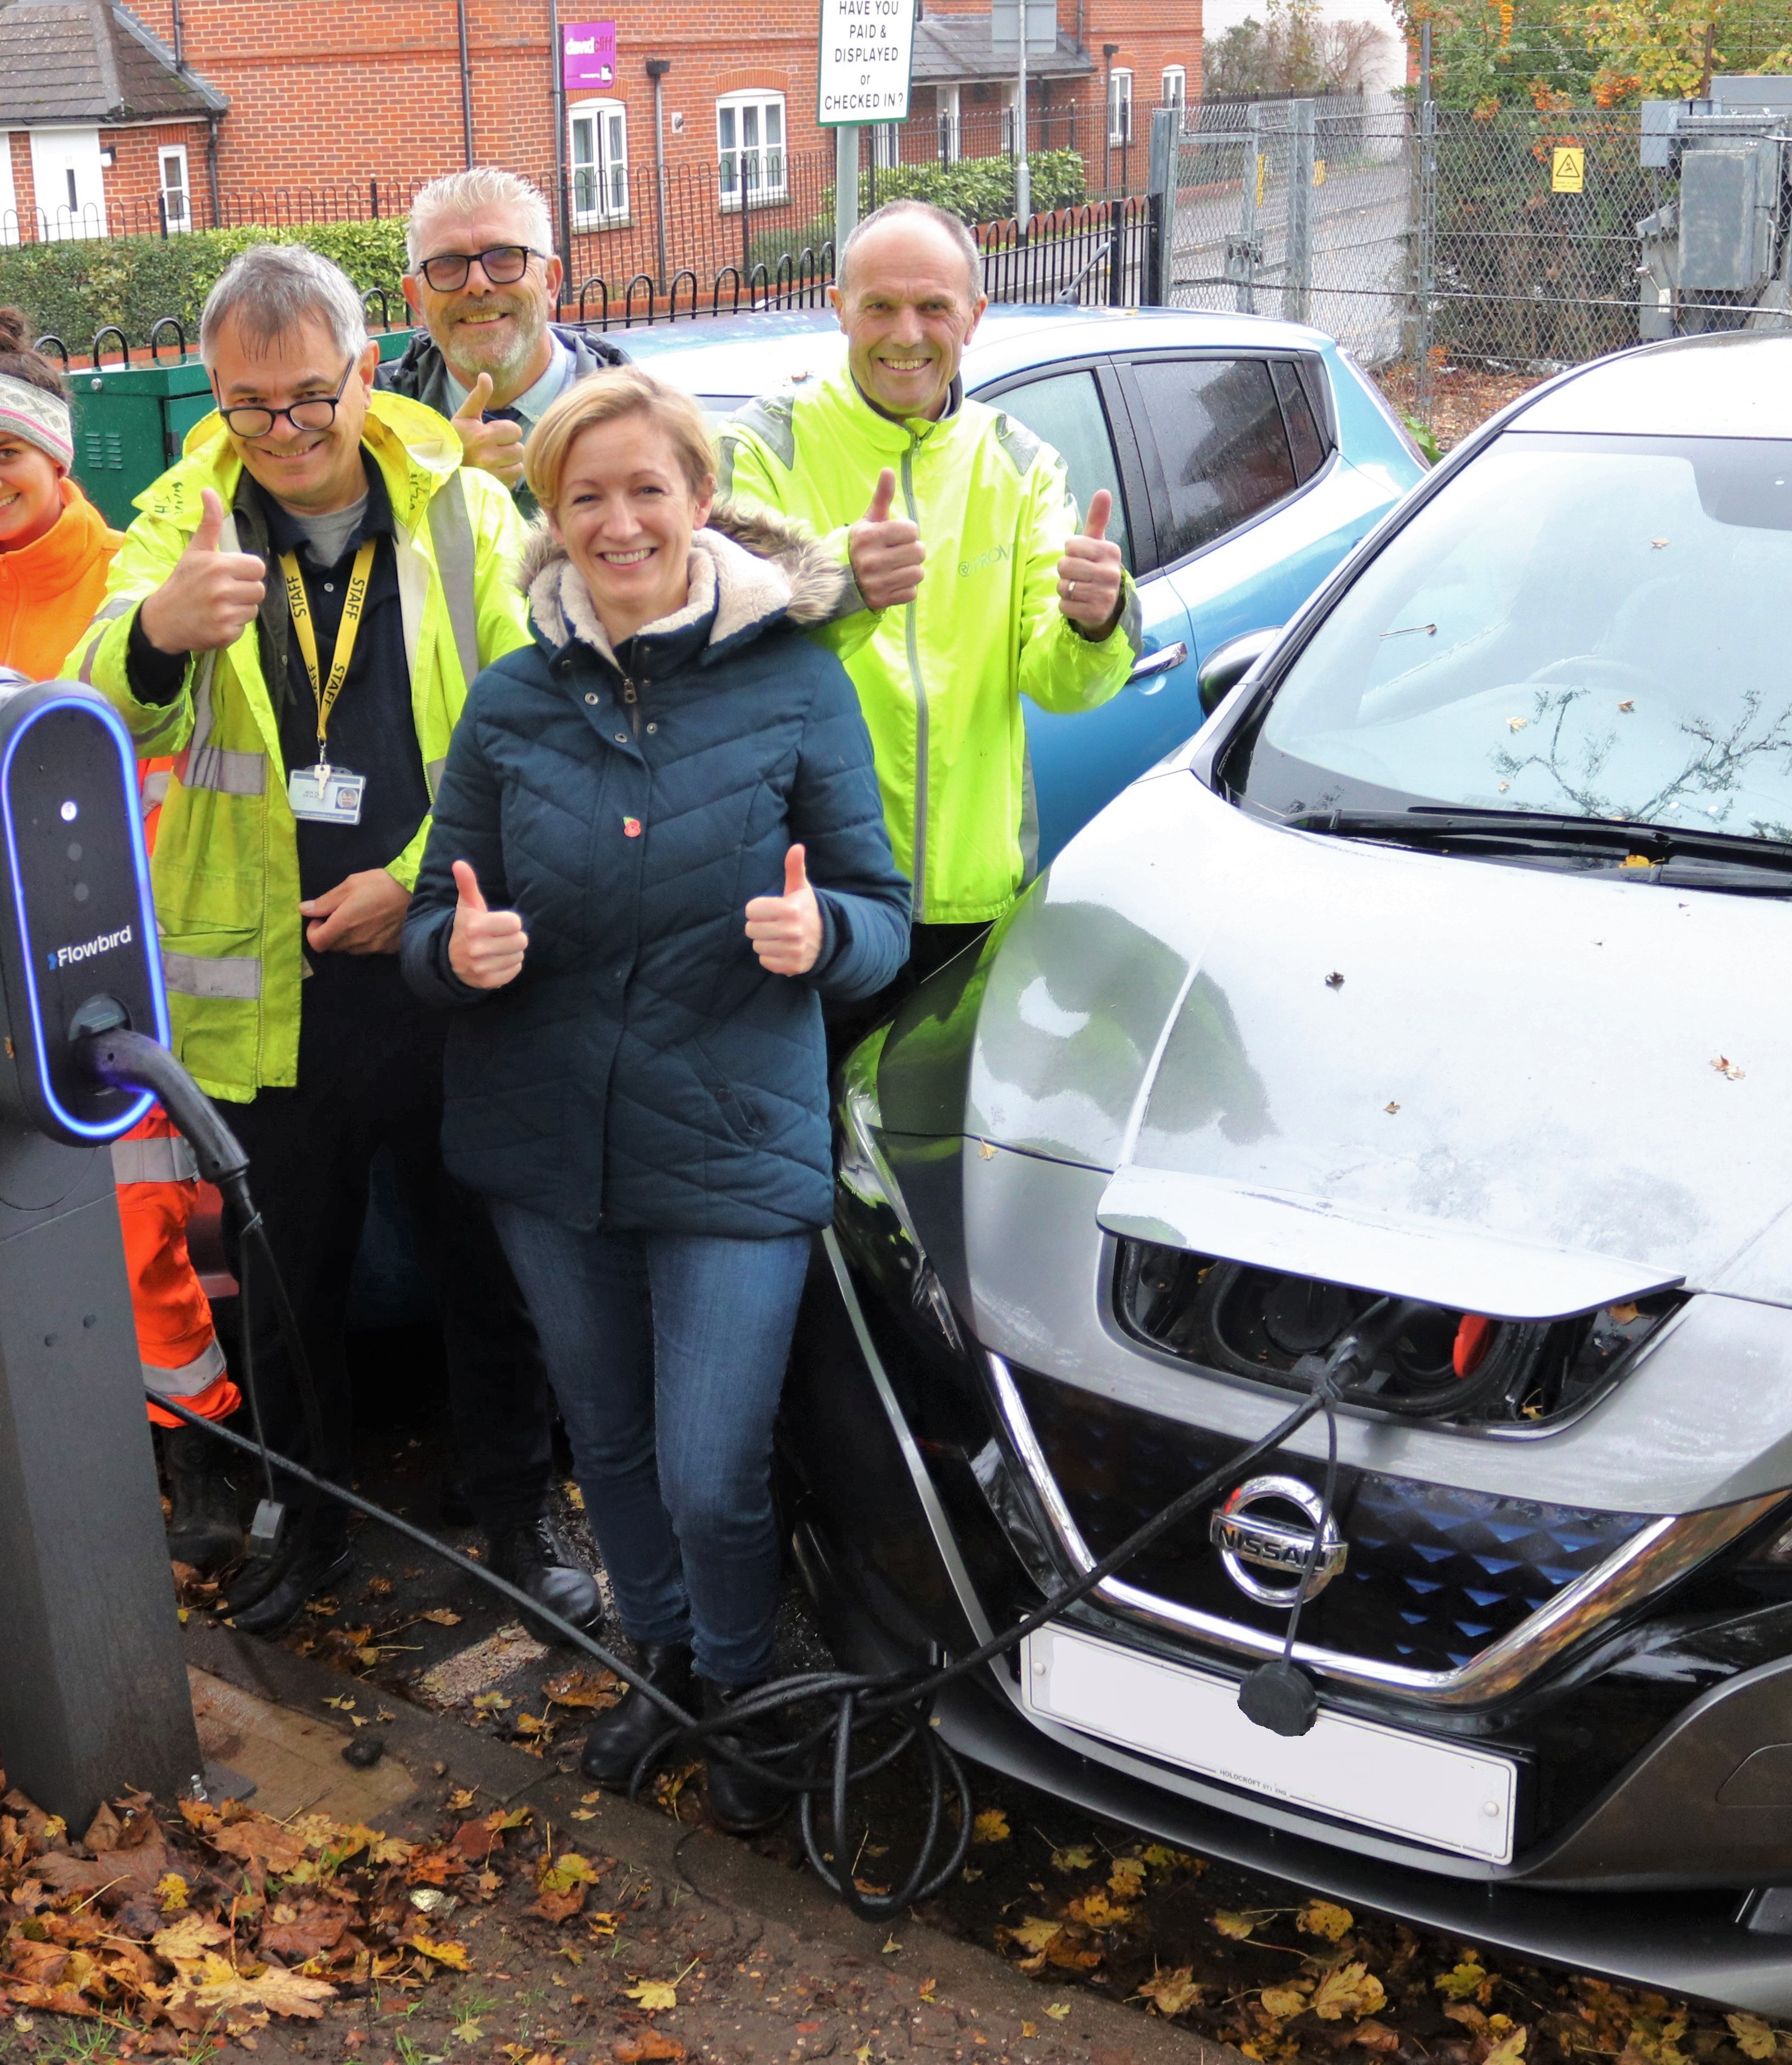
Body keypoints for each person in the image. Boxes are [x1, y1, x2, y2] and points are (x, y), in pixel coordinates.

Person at [401, 368, 910, 1832]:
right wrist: (459, 950)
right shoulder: (512, 700)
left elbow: (881, 904)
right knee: (607, 1441)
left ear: (698, 498)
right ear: (551, 520)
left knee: (709, 1466)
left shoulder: (797, 679)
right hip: (545, 1140)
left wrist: (827, 943)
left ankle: (744, 1689)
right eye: (586, 497)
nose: (619, 523)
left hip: (736, 1128)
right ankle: (663, 1667)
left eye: (646, 490)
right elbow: (441, 921)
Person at [66, 243, 599, 1637]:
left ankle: (518, 1511)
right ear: (218, 403)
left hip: (434, 973)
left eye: (311, 398)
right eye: (253, 408)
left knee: (486, 1265)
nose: (286, 435)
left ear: (366, 374)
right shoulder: (184, 513)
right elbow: (99, 709)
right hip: (264, 982)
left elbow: (526, 737)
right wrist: (161, 638)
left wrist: (413, 889)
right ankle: (304, 1519)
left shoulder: (468, 512)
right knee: (283, 1279)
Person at [0, 308, 250, 1562]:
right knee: (6, 1229)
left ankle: (204, 1446)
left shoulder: (130, 574)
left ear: (59, 455)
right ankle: (67, 1457)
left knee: (139, 1234)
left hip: (105, 967)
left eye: (5, 458)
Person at [715, 199, 1134, 1039]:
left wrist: (1096, 622)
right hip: (807, 887)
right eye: (879, 306)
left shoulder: (1020, 463)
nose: (906, 333)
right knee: (810, 1141)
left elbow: (1057, 681)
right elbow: (711, 630)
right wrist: (836, 576)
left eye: (933, 306)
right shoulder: (764, 445)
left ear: (973, 317)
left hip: (969, 892)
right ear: (838, 307)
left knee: (938, 1151)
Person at [378, 167, 626, 515]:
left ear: (551, 282)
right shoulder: (370, 426)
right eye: (447, 263)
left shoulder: (640, 416)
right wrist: (441, 480)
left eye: (506, 256)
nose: (478, 283)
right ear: (416, 299)